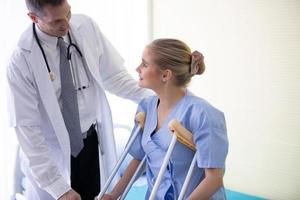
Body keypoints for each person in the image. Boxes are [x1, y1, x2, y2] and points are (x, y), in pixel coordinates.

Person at [6, 0, 152, 199]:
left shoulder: (86, 27)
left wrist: (160, 99)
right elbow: (28, 131)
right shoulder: (21, 61)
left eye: (68, 13)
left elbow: (114, 77)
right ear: (34, 18)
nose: (66, 24)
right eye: (57, 21)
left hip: (90, 145)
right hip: (52, 155)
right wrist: (60, 189)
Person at [102, 39, 229, 200]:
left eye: (145, 64)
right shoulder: (146, 107)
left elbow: (214, 179)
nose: (137, 69)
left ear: (165, 75)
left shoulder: (204, 114)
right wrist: (113, 194)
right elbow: (138, 159)